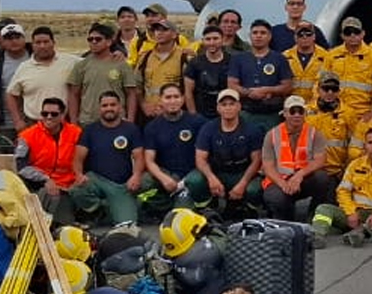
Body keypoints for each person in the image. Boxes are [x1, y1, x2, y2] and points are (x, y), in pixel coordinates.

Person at [312, 126, 372, 248]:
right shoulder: (355, 165)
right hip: (355, 213)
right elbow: (343, 191)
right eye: (370, 142)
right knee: (323, 209)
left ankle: (362, 232)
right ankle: (316, 237)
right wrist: (351, 212)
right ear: (365, 146)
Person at [69, 92, 145, 227]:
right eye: (105, 105)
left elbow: (139, 156)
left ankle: (110, 209)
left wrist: (136, 176)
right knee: (77, 190)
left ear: (120, 107)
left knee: (127, 223)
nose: (109, 108)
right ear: (100, 108)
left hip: (121, 185)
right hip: (97, 180)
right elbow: (78, 158)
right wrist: (79, 175)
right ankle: (101, 210)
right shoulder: (90, 130)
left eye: (113, 105)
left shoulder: (131, 129)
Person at [261, 93, 334, 221]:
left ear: (305, 113)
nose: (296, 115)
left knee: (323, 178)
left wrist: (299, 175)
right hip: (279, 180)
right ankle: (285, 220)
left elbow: (320, 160)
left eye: (300, 111)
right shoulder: (271, 135)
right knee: (276, 198)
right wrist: (283, 184)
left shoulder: (314, 133)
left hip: (304, 179)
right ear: (284, 113)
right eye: (292, 111)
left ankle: (314, 215)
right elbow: (268, 166)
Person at [197, 89, 267, 218]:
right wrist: (211, 178)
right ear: (218, 108)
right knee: (194, 180)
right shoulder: (208, 128)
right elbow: (200, 158)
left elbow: (257, 160)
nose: (228, 108)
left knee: (254, 189)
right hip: (219, 172)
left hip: (242, 173)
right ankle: (207, 208)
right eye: (224, 105)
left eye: (232, 104)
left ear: (239, 106)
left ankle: (248, 208)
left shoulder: (252, 129)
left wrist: (243, 184)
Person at [142, 82, 204, 220]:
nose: (172, 101)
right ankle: (162, 203)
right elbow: (149, 160)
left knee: (180, 216)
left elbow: (205, 156)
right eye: (168, 97)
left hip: (191, 176)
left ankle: (197, 203)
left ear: (182, 99)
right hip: (167, 175)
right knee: (143, 182)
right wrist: (164, 179)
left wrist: (185, 181)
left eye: (176, 97)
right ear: (160, 100)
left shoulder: (197, 122)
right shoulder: (152, 127)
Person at [15, 97, 82, 221]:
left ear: (62, 115)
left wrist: (79, 177)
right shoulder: (27, 136)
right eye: (45, 114)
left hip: (69, 185)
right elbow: (20, 166)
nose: (49, 117)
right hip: (39, 184)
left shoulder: (76, 133)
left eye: (54, 114)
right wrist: (45, 179)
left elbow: (85, 159)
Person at [5, 25, 77, 131]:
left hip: (63, 124)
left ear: (53, 43)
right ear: (32, 45)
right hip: (34, 125)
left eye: (46, 42)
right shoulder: (24, 67)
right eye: (38, 43)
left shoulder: (71, 62)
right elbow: (11, 94)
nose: (42, 46)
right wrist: (17, 121)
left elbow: (91, 61)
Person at [68, 23, 142, 125]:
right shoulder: (81, 65)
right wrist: (73, 121)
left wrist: (130, 120)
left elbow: (131, 94)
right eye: (90, 39)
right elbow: (73, 94)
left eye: (98, 39)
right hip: (88, 122)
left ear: (108, 42)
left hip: (117, 121)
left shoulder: (122, 65)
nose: (94, 42)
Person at [135, 17, 190, 118]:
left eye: (164, 30)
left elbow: (189, 89)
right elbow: (137, 86)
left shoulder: (184, 57)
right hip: (150, 114)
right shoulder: (145, 57)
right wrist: (144, 105)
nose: (159, 33)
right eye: (156, 30)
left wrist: (173, 107)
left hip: (176, 114)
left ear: (174, 34)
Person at [0, 23, 29, 137]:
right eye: (9, 38)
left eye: (17, 37)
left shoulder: (35, 57)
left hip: (32, 122)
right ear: (2, 41)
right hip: (4, 123)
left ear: (24, 38)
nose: (14, 41)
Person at [307, 76, 352, 177]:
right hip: (310, 169)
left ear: (339, 91)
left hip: (336, 171)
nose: (330, 92)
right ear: (318, 90)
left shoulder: (348, 113)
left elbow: (354, 144)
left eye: (334, 89)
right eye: (326, 89)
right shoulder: (306, 111)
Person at [285, 23, 332, 99]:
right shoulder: (285, 57)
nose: (305, 37)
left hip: (316, 104)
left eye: (308, 34)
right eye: (301, 35)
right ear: (295, 37)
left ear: (314, 37)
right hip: (292, 105)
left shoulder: (327, 57)